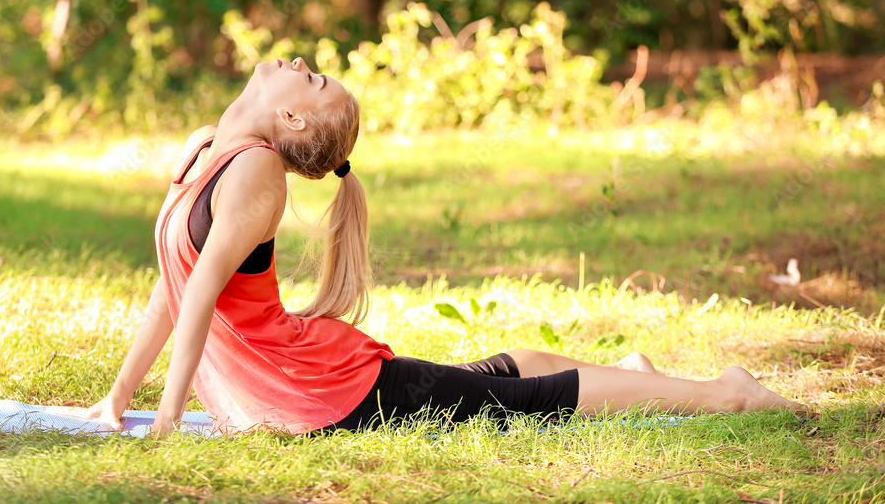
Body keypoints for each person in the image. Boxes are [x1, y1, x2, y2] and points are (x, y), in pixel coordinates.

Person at [60, 57, 802, 436]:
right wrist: (118, 399)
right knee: (494, 382)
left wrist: (164, 421)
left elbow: (198, 298)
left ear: (288, 113)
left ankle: (725, 392)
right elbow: (174, 282)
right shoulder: (203, 149)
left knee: (524, 401)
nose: (297, 63)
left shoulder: (255, 171)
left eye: (310, 77)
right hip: (300, 383)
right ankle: (632, 378)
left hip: (326, 393)